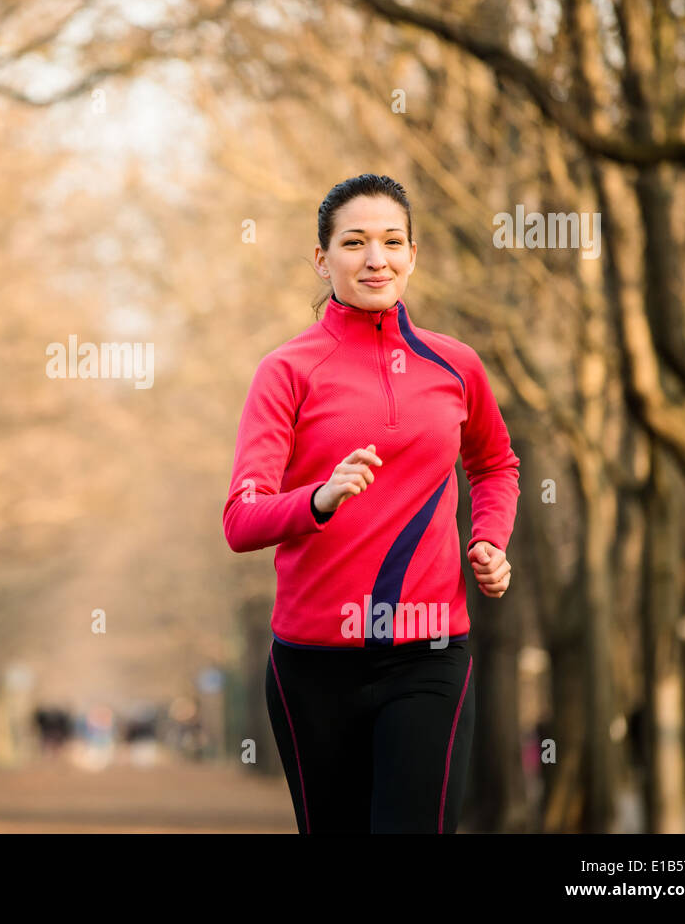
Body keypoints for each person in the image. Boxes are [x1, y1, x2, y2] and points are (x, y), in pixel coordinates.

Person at [222, 174, 519, 834]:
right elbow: (241, 520)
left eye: (391, 241)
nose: (375, 259)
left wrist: (491, 539)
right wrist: (319, 498)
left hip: (427, 651)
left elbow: (495, 464)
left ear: (413, 254)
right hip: (312, 665)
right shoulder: (286, 371)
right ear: (322, 259)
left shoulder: (457, 366)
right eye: (353, 243)